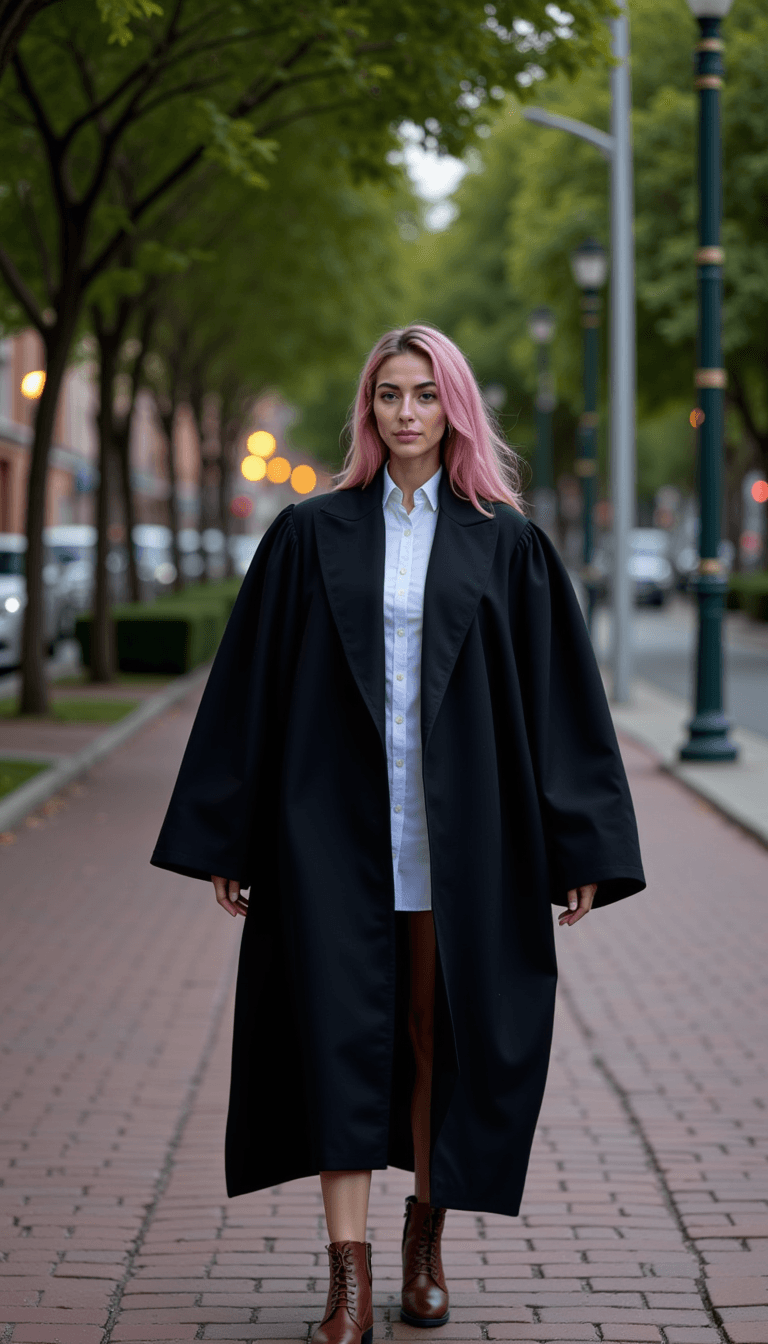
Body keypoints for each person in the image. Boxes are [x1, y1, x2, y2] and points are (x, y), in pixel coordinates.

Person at [151, 323, 646, 1344]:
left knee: (438, 1043)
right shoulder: (310, 534)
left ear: (452, 407)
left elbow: (562, 701)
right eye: (389, 395)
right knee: (336, 1043)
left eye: (424, 394)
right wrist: (231, 836)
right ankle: (347, 1281)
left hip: (464, 841)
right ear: (368, 410)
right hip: (331, 833)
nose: (407, 412)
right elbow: (251, 686)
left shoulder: (507, 541)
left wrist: (581, 845)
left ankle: (425, 1246)